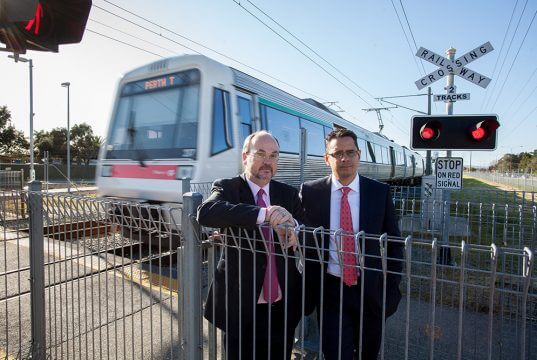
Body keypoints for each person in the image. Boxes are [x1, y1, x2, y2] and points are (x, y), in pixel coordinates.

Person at [197, 130, 304, 360]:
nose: (268, 162)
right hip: (240, 305)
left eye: (274, 155)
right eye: (261, 154)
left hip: (281, 304)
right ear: (245, 157)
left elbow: (307, 226)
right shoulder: (229, 187)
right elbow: (205, 213)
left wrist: (296, 228)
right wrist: (263, 214)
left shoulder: (288, 193)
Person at [300, 129, 403, 360]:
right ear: (327, 159)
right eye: (337, 154)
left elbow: (395, 243)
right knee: (336, 354)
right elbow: (298, 233)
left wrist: (392, 289)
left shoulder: (379, 192)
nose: (344, 158)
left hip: (371, 291)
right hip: (330, 291)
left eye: (350, 152)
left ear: (359, 156)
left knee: (368, 353)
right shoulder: (311, 192)